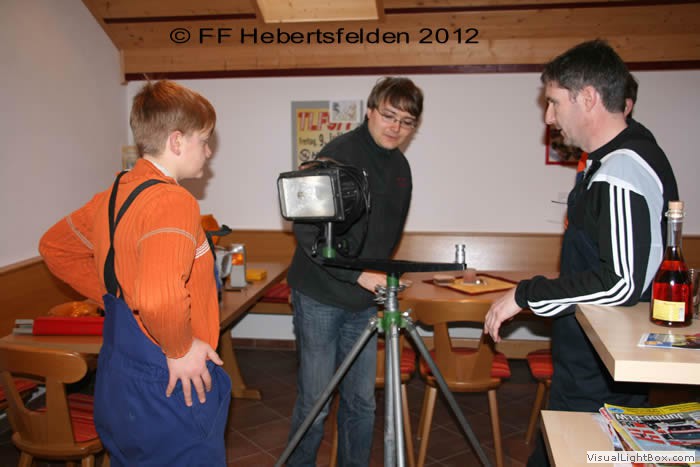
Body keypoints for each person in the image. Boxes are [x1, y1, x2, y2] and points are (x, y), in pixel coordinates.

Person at [482, 40, 679, 467]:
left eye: (554, 102)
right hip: (595, 360)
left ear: (587, 98)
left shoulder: (622, 170)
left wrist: (526, 294)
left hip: (599, 372)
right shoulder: (613, 159)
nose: (548, 117)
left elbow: (621, 283)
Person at [39, 80, 231, 466]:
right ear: (177, 141)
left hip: (119, 376)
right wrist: (180, 348)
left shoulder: (114, 194)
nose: (208, 152)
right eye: (204, 140)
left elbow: (56, 248)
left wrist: (124, 296)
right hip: (168, 380)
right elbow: (158, 297)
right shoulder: (173, 201)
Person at [285, 77, 424, 466]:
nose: (396, 127)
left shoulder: (401, 168)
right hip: (320, 295)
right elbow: (306, 231)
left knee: (362, 403)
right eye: (389, 116)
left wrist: (379, 274)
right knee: (316, 402)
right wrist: (357, 275)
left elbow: (388, 234)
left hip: (363, 301)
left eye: (407, 122)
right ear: (370, 111)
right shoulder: (336, 154)